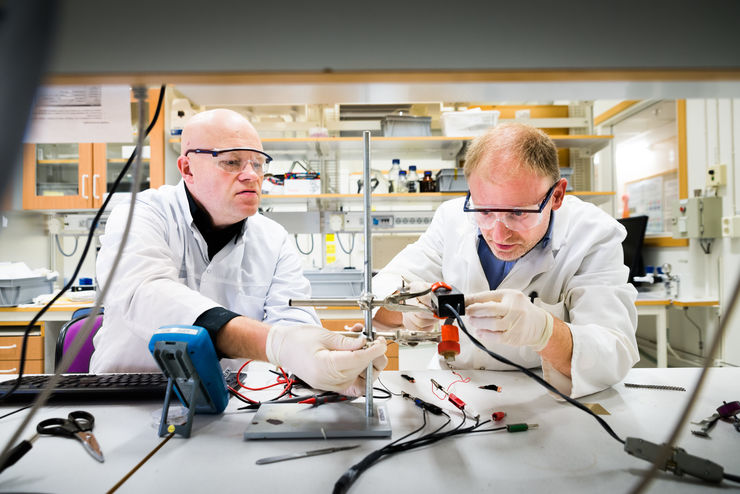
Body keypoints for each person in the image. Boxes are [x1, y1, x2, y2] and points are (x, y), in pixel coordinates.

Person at [91, 109, 387, 395]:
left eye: (258, 164)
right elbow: (147, 295)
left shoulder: (273, 238)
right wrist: (275, 344)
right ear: (187, 168)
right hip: (127, 396)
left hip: (229, 402)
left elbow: (294, 323)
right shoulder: (140, 214)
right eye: (232, 162)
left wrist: (328, 364)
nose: (251, 175)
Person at [373, 123, 638, 398]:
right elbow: (381, 296)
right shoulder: (451, 218)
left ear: (556, 195)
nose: (498, 233)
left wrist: (545, 331)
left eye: (518, 213)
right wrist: (411, 306)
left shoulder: (593, 234)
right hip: (454, 389)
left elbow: (613, 353)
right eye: (484, 210)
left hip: (540, 398)